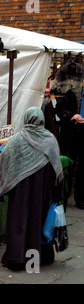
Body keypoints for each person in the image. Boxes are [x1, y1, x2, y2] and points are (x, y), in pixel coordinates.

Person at [0, 106, 63, 270]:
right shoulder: (50, 139)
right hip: (42, 192)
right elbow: (57, 169)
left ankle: (17, 258)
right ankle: (37, 258)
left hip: (20, 192)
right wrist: (57, 193)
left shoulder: (18, 139)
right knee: (38, 220)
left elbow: (3, 159)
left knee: (19, 220)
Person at [54, 79, 84, 209]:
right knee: (69, 164)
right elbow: (59, 110)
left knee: (82, 169)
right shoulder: (72, 94)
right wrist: (72, 116)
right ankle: (63, 196)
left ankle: (80, 199)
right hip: (71, 135)